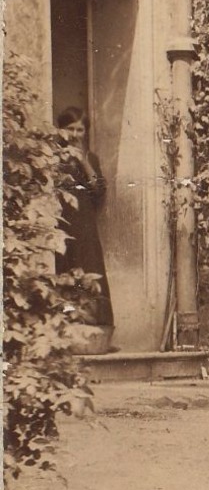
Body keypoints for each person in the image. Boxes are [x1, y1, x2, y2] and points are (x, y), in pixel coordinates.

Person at [55, 108, 112, 332]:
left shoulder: (91, 159)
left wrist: (85, 162)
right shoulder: (53, 158)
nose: (76, 134)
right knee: (65, 272)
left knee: (90, 270)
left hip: (86, 226)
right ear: (60, 130)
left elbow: (99, 192)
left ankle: (96, 331)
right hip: (62, 225)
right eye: (71, 129)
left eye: (80, 129)